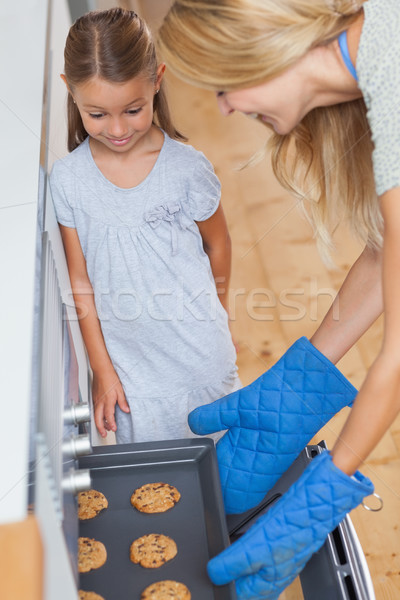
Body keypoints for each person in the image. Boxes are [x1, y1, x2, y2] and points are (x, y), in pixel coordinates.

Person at [158, 0, 400, 597]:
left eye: (224, 84)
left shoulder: (391, 73)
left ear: (262, 52)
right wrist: (295, 388)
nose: (225, 107)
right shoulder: (372, 53)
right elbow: (387, 246)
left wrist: (322, 499)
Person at [49, 8, 240, 444]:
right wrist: (102, 370)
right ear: (70, 91)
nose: (117, 129)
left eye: (132, 110)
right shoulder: (69, 181)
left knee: (226, 474)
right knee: (160, 487)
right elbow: (79, 281)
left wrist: (221, 316)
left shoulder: (187, 168)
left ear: (157, 81)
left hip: (201, 357)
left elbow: (219, 245)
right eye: (97, 115)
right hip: (135, 378)